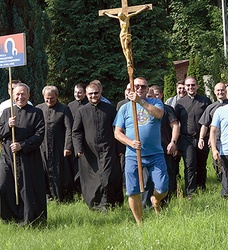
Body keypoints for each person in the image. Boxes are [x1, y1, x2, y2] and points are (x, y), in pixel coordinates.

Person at [114, 77, 168, 225]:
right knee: (133, 190)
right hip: (133, 154)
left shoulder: (155, 102)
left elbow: (159, 114)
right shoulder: (125, 108)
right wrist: (130, 142)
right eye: (136, 86)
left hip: (155, 153)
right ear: (131, 88)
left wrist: (140, 101)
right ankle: (140, 223)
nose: (139, 89)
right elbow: (117, 133)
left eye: (143, 87)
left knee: (163, 187)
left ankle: (155, 200)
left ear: (147, 89)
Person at [0, 83, 46, 225]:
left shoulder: (36, 113)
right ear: (12, 95)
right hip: (8, 157)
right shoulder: (6, 112)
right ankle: (8, 218)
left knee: (26, 189)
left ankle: (28, 219)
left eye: (23, 94)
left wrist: (22, 145)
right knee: (1, 186)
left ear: (28, 95)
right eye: (17, 94)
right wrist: (7, 125)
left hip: (28, 158)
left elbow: (40, 135)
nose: (20, 97)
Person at [72, 82, 124, 210]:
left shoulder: (110, 109)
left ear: (100, 92)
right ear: (86, 94)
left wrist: (120, 149)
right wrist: (78, 149)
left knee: (108, 176)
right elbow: (76, 131)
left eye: (96, 93)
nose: (93, 96)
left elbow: (117, 129)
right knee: (93, 179)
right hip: (90, 151)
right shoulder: (81, 111)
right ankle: (96, 204)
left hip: (108, 149)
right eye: (90, 94)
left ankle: (110, 202)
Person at [175, 76, 212, 198]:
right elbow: (175, 123)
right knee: (189, 165)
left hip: (203, 138)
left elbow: (211, 120)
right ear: (185, 87)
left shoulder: (205, 101)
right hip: (186, 139)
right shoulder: (180, 103)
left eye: (193, 85)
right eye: (188, 85)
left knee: (201, 164)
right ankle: (190, 191)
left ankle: (201, 187)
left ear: (197, 86)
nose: (190, 87)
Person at [36, 86, 74, 202]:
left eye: (51, 99)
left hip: (59, 145)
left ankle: (62, 196)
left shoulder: (64, 109)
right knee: (43, 170)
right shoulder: (38, 108)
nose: (49, 101)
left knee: (60, 171)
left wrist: (68, 146)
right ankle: (47, 195)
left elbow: (69, 129)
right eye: (46, 99)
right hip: (42, 146)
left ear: (56, 96)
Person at [197, 82, 228, 194]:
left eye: (222, 90)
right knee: (218, 164)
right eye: (218, 90)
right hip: (217, 140)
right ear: (214, 92)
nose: (220, 92)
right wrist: (201, 138)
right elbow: (205, 124)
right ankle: (222, 182)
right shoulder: (211, 107)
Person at [0, 80, 32, 153]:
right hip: (8, 144)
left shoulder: (29, 104)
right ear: (9, 91)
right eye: (12, 89)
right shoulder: (4, 105)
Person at [68, 83, 88, 194]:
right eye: (75, 92)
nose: (77, 94)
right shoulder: (70, 105)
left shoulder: (88, 104)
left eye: (80, 92)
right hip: (73, 139)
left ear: (85, 93)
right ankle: (76, 189)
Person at [165, 80, 186, 180]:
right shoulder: (170, 101)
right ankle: (175, 181)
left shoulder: (190, 101)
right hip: (173, 136)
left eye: (183, 88)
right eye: (179, 88)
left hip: (185, 135)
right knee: (174, 160)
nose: (182, 90)